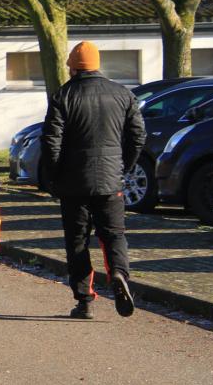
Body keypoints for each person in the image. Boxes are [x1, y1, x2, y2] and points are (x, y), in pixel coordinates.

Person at [40, 41, 145, 319]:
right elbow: (137, 137)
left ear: (73, 67)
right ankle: (119, 274)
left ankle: (84, 300)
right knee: (114, 235)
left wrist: (53, 177)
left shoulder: (63, 95)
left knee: (77, 241)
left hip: (73, 182)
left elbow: (51, 142)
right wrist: (122, 167)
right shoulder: (123, 94)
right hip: (111, 180)